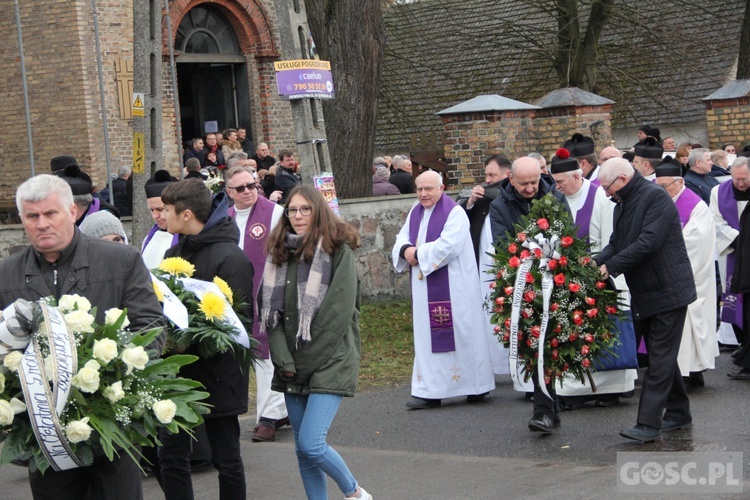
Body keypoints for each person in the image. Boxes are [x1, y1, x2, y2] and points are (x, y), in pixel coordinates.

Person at [0, 174, 165, 499]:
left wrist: (111, 376)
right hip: (45, 438)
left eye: (51, 214)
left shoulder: (121, 259)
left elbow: (151, 330)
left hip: (112, 428)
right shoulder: (6, 275)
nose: (42, 223)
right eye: (32, 216)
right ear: (22, 219)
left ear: (73, 212)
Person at [261, 185, 371, 500]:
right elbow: (270, 316)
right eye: (292, 210)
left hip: (331, 359)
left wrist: (302, 363)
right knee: (301, 449)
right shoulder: (279, 253)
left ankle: (355, 493)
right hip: (291, 364)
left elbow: (337, 315)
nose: (297, 216)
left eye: (305, 209)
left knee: (312, 443)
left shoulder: (339, 251)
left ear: (318, 210)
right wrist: (284, 361)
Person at [157, 179, 253, 499]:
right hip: (178, 373)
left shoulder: (231, 258)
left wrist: (191, 342)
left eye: (166, 210)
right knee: (171, 457)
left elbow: (240, 327)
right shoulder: (174, 253)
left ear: (186, 215)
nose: (161, 216)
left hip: (219, 375)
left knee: (226, 459)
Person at [595, 158, 696, 442]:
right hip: (647, 290)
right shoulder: (623, 204)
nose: (605, 193)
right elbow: (617, 242)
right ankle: (678, 414)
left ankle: (648, 424)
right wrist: (595, 262)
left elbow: (647, 243)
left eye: (607, 187)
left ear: (623, 180)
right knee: (658, 355)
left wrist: (610, 267)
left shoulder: (655, 198)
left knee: (660, 359)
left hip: (669, 290)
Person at [392, 171, 495, 410]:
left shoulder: (455, 213)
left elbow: (449, 246)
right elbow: (402, 237)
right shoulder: (415, 211)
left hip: (455, 287)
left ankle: (475, 386)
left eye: (428, 189)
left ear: (441, 188)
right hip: (423, 285)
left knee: (461, 333)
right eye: (419, 189)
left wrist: (418, 253)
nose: (423, 194)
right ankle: (431, 390)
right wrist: (405, 249)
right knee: (428, 336)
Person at [223, 165, 290, 442]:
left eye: (252, 185)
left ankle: (269, 416)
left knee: (267, 354)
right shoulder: (224, 218)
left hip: (268, 292)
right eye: (241, 188)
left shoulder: (274, 213)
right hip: (234, 297)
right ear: (229, 193)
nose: (248, 191)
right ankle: (278, 410)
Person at [654, 159, 718, 387]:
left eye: (664, 186)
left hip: (692, 274)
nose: (660, 190)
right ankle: (676, 373)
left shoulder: (696, 205)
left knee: (691, 322)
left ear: (680, 181)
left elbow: (696, 242)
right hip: (666, 275)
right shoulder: (660, 202)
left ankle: (693, 372)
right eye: (657, 185)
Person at [714, 157, 750, 379]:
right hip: (733, 252)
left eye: (744, 179)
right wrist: (742, 239)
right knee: (741, 308)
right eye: (735, 179)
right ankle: (743, 345)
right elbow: (715, 222)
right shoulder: (719, 192)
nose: (739, 184)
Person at [459, 154, 511, 263]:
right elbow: (460, 221)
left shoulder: (514, 197)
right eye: (486, 175)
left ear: (508, 174)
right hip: (482, 257)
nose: (487, 180)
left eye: (492, 175)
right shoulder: (481, 197)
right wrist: (470, 202)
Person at [141, 170, 179, 269]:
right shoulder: (149, 238)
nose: (154, 216)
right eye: (151, 210)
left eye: (159, 209)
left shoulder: (188, 239)